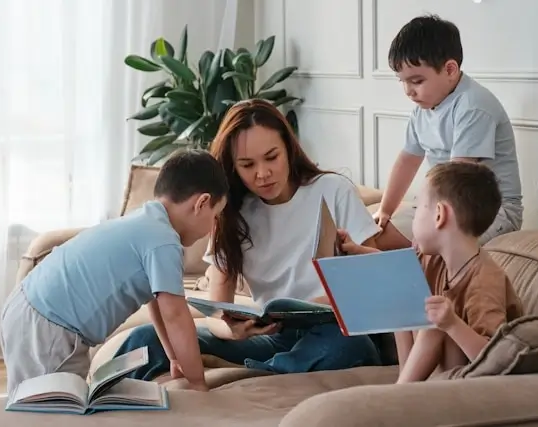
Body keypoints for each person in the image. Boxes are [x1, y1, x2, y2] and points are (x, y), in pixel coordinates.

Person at [113, 99, 395, 381]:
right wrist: (232, 330)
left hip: (336, 330)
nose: (262, 173)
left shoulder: (333, 190)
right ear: (233, 167)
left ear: (289, 148)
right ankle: (91, 398)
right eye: (247, 165)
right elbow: (216, 314)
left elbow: (376, 278)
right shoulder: (232, 212)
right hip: (274, 337)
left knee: (346, 346)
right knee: (145, 338)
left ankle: (259, 371)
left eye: (272, 157)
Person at [0, 149, 228, 395]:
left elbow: (156, 305)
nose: (213, 228)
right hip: (51, 327)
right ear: (202, 203)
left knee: (30, 403)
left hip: (28, 306)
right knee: (56, 409)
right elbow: (176, 316)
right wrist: (198, 384)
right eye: (215, 217)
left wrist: (175, 358)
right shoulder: (164, 241)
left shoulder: (146, 221)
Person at [339, 161, 524, 383]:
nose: (414, 217)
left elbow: (495, 359)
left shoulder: (484, 279)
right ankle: (405, 385)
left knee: (433, 322)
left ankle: (400, 394)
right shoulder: (433, 258)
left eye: (417, 208)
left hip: (464, 380)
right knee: (404, 293)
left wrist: (452, 324)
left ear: (439, 215)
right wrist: (357, 250)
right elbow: (393, 269)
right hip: (431, 377)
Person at [376, 14, 523, 244]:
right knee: (374, 236)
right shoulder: (423, 108)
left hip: (489, 211)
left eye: (416, 81)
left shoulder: (473, 106)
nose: (408, 91)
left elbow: (457, 178)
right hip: (444, 204)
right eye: (402, 81)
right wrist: (385, 211)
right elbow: (407, 161)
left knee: (432, 246)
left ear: (450, 70)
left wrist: (427, 227)